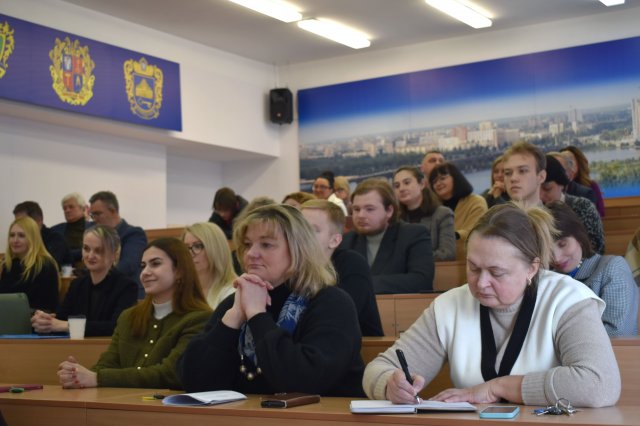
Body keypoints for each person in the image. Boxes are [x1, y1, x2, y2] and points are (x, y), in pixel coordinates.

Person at [363, 204, 621, 408]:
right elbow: (377, 369)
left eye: (497, 272)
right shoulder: (450, 306)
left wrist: (496, 388)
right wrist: (390, 385)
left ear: (532, 268)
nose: (481, 283)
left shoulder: (568, 299)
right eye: (473, 268)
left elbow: (600, 383)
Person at [179, 204, 365, 396]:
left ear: (298, 249)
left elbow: (303, 381)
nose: (251, 254)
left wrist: (257, 315)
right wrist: (233, 317)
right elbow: (195, 383)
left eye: (266, 244)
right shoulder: (235, 302)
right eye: (247, 244)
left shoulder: (331, 303)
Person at [56, 238, 212, 389]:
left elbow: (170, 374)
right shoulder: (128, 316)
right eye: (143, 266)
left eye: (155, 264)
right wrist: (77, 375)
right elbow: (107, 363)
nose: (145, 272)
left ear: (179, 271)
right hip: (120, 402)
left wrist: (97, 378)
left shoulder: (199, 319)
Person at [547, 201, 638, 336]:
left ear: (578, 235)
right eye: (547, 250)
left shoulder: (613, 267)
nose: (556, 258)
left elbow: (617, 334)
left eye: (562, 244)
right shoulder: (549, 279)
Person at [31, 225, 138, 336]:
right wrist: (45, 321)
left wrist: (67, 325)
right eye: (86, 249)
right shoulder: (77, 284)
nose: (90, 256)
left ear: (114, 255)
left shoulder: (127, 287)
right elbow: (61, 318)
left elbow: (116, 326)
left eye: (98, 250)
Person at [300, 199, 383, 336]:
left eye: (312, 230)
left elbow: (337, 320)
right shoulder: (290, 264)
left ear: (334, 240)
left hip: (362, 346)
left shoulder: (352, 264)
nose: (301, 235)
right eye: (298, 228)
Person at [340, 178, 434, 293]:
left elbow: (422, 280)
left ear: (389, 211)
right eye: (356, 209)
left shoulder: (414, 234)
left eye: (369, 209)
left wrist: (363, 284)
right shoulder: (346, 240)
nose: (361, 215)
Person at [540, 154, 605, 254]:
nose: (540, 195)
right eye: (535, 190)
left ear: (562, 184)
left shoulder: (582, 207)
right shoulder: (532, 210)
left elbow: (596, 248)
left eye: (547, 188)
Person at [89, 191, 147, 296]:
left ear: (113, 211)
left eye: (98, 214)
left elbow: (128, 265)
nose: (94, 219)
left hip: (129, 292)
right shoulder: (97, 236)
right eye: (92, 215)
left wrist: (99, 276)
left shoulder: (134, 234)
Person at [392, 166, 455, 261]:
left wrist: (410, 259)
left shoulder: (442, 214)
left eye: (407, 183)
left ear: (422, 184)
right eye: (397, 186)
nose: (401, 189)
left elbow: (447, 253)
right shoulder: (395, 220)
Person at [0, 217, 59, 312]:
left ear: (32, 238)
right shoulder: (8, 265)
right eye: (12, 235)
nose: (15, 240)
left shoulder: (45, 265)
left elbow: (46, 307)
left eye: (21, 236)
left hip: (36, 319)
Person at [429, 162, 487, 244]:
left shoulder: (476, 202)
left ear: (456, 178)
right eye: (434, 182)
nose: (438, 183)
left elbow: (474, 233)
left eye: (442, 178)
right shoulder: (433, 208)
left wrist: (447, 236)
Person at [182, 222, 236, 309]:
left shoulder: (231, 293)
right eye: (186, 248)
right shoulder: (181, 291)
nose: (190, 253)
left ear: (216, 250)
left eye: (197, 246)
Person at [13, 201, 71, 269]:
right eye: (17, 222)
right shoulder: (19, 240)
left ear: (39, 221)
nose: (18, 226)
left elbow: (49, 266)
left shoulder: (55, 239)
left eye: (23, 222)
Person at [560, 146, 605, 217]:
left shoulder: (591, 186)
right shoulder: (558, 186)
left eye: (570, 161)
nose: (566, 165)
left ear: (578, 163)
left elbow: (600, 212)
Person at [502, 141, 546, 208]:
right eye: (508, 173)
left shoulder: (556, 214)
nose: (513, 178)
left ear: (541, 177)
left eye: (522, 171)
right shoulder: (495, 214)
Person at [52, 192, 92, 265]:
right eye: (64, 208)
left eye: (71, 207)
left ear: (82, 208)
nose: (67, 210)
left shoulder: (94, 228)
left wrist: (67, 254)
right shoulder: (55, 230)